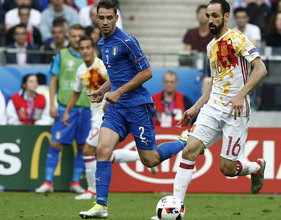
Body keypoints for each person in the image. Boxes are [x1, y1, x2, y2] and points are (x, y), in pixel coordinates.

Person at [152, 1, 268, 219]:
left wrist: (240, 95)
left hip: (236, 110)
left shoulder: (237, 38)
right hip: (213, 106)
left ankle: (256, 167)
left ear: (226, 16)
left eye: (215, 15)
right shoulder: (210, 47)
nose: (211, 20)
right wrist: (195, 107)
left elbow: (261, 69)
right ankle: (175, 209)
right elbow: (216, 82)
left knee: (227, 169)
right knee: (189, 151)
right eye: (208, 16)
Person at [79, 1, 187, 218]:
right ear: (96, 19)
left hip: (138, 106)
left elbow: (147, 72)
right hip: (117, 109)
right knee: (102, 149)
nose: (106, 21)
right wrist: (103, 90)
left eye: (110, 17)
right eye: (102, 18)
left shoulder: (127, 41)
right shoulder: (102, 43)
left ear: (116, 18)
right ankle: (101, 206)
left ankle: (185, 142)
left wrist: (119, 92)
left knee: (150, 160)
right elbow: (117, 75)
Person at [63, 35, 156, 200]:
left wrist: (109, 101)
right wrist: (66, 111)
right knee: (103, 153)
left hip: (107, 112)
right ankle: (138, 157)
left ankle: (92, 190)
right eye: (81, 48)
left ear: (93, 49)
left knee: (88, 150)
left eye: (87, 48)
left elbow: (118, 80)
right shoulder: (81, 71)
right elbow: (76, 93)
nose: (85, 51)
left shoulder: (101, 66)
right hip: (95, 114)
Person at [35, 24, 89, 194]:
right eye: (73, 36)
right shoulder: (61, 55)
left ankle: (75, 183)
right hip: (66, 108)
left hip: (87, 109)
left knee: (83, 147)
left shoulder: (92, 56)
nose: (76, 39)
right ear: (69, 37)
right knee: (55, 143)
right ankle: (48, 182)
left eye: (80, 36)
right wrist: (52, 104)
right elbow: (53, 81)